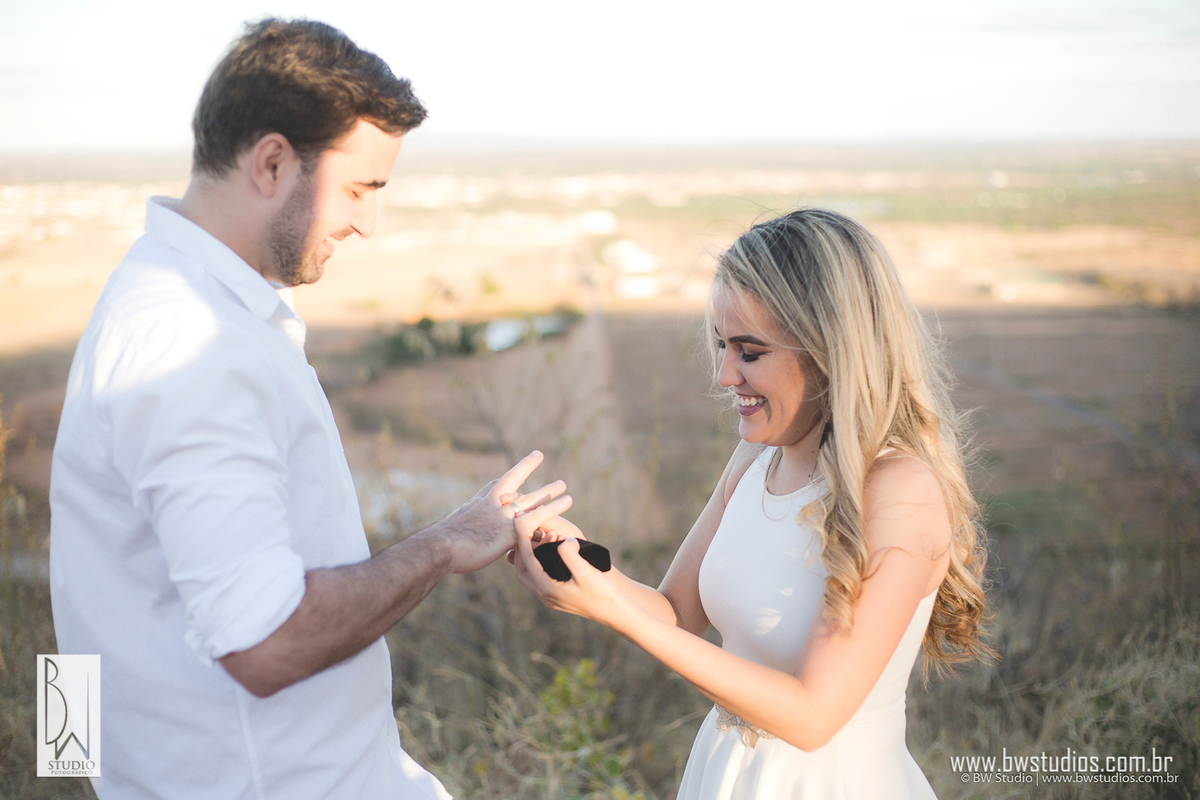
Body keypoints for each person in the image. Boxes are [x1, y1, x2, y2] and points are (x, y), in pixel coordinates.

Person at [49, 18, 568, 799]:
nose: (367, 223)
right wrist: (440, 547)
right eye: (359, 189)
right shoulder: (190, 347)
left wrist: (76, 771)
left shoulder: (171, 297)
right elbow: (266, 644)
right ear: (271, 163)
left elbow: (88, 586)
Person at [511, 208, 992, 798]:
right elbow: (675, 613)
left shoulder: (898, 491)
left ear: (831, 349)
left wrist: (616, 612)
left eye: (750, 352)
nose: (723, 374)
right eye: (721, 345)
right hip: (726, 775)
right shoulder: (756, 458)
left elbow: (813, 717)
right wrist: (582, 568)